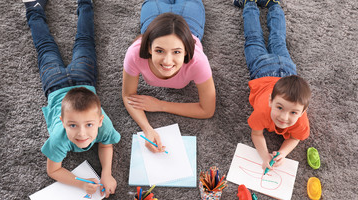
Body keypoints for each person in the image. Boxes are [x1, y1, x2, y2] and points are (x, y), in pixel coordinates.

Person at [23, 0, 120, 198]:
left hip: (55, 82)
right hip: (79, 78)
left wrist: (106, 173)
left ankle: (36, 8)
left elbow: (105, 144)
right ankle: (39, 7)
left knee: (47, 47)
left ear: (100, 120)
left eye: (89, 125)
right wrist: (80, 184)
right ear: (62, 121)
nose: (82, 134)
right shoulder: (59, 136)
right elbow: (53, 170)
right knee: (82, 41)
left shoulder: (104, 125)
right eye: (73, 125)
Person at [122, 0, 216, 153]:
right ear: (149, 47)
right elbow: (128, 95)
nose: (167, 61)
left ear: (186, 51)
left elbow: (207, 110)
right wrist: (147, 129)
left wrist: (160, 105)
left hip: (189, 18)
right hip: (155, 20)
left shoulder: (198, 61)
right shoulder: (135, 53)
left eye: (176, 52)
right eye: (159, 51)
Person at [233, 0, 312, 170]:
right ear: (270, 101)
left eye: (293, 112)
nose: (284, 117)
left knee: (276, 39)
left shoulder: (301, 122)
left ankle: (268, 4)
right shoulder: (263, 111)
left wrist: (282, 153)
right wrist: (264, 155)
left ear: (303, 112)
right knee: (256, 39)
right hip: (263, 70)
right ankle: (256, 4)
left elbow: (294, 138)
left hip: (287, 69)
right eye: (280, 108)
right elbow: (256, 133)